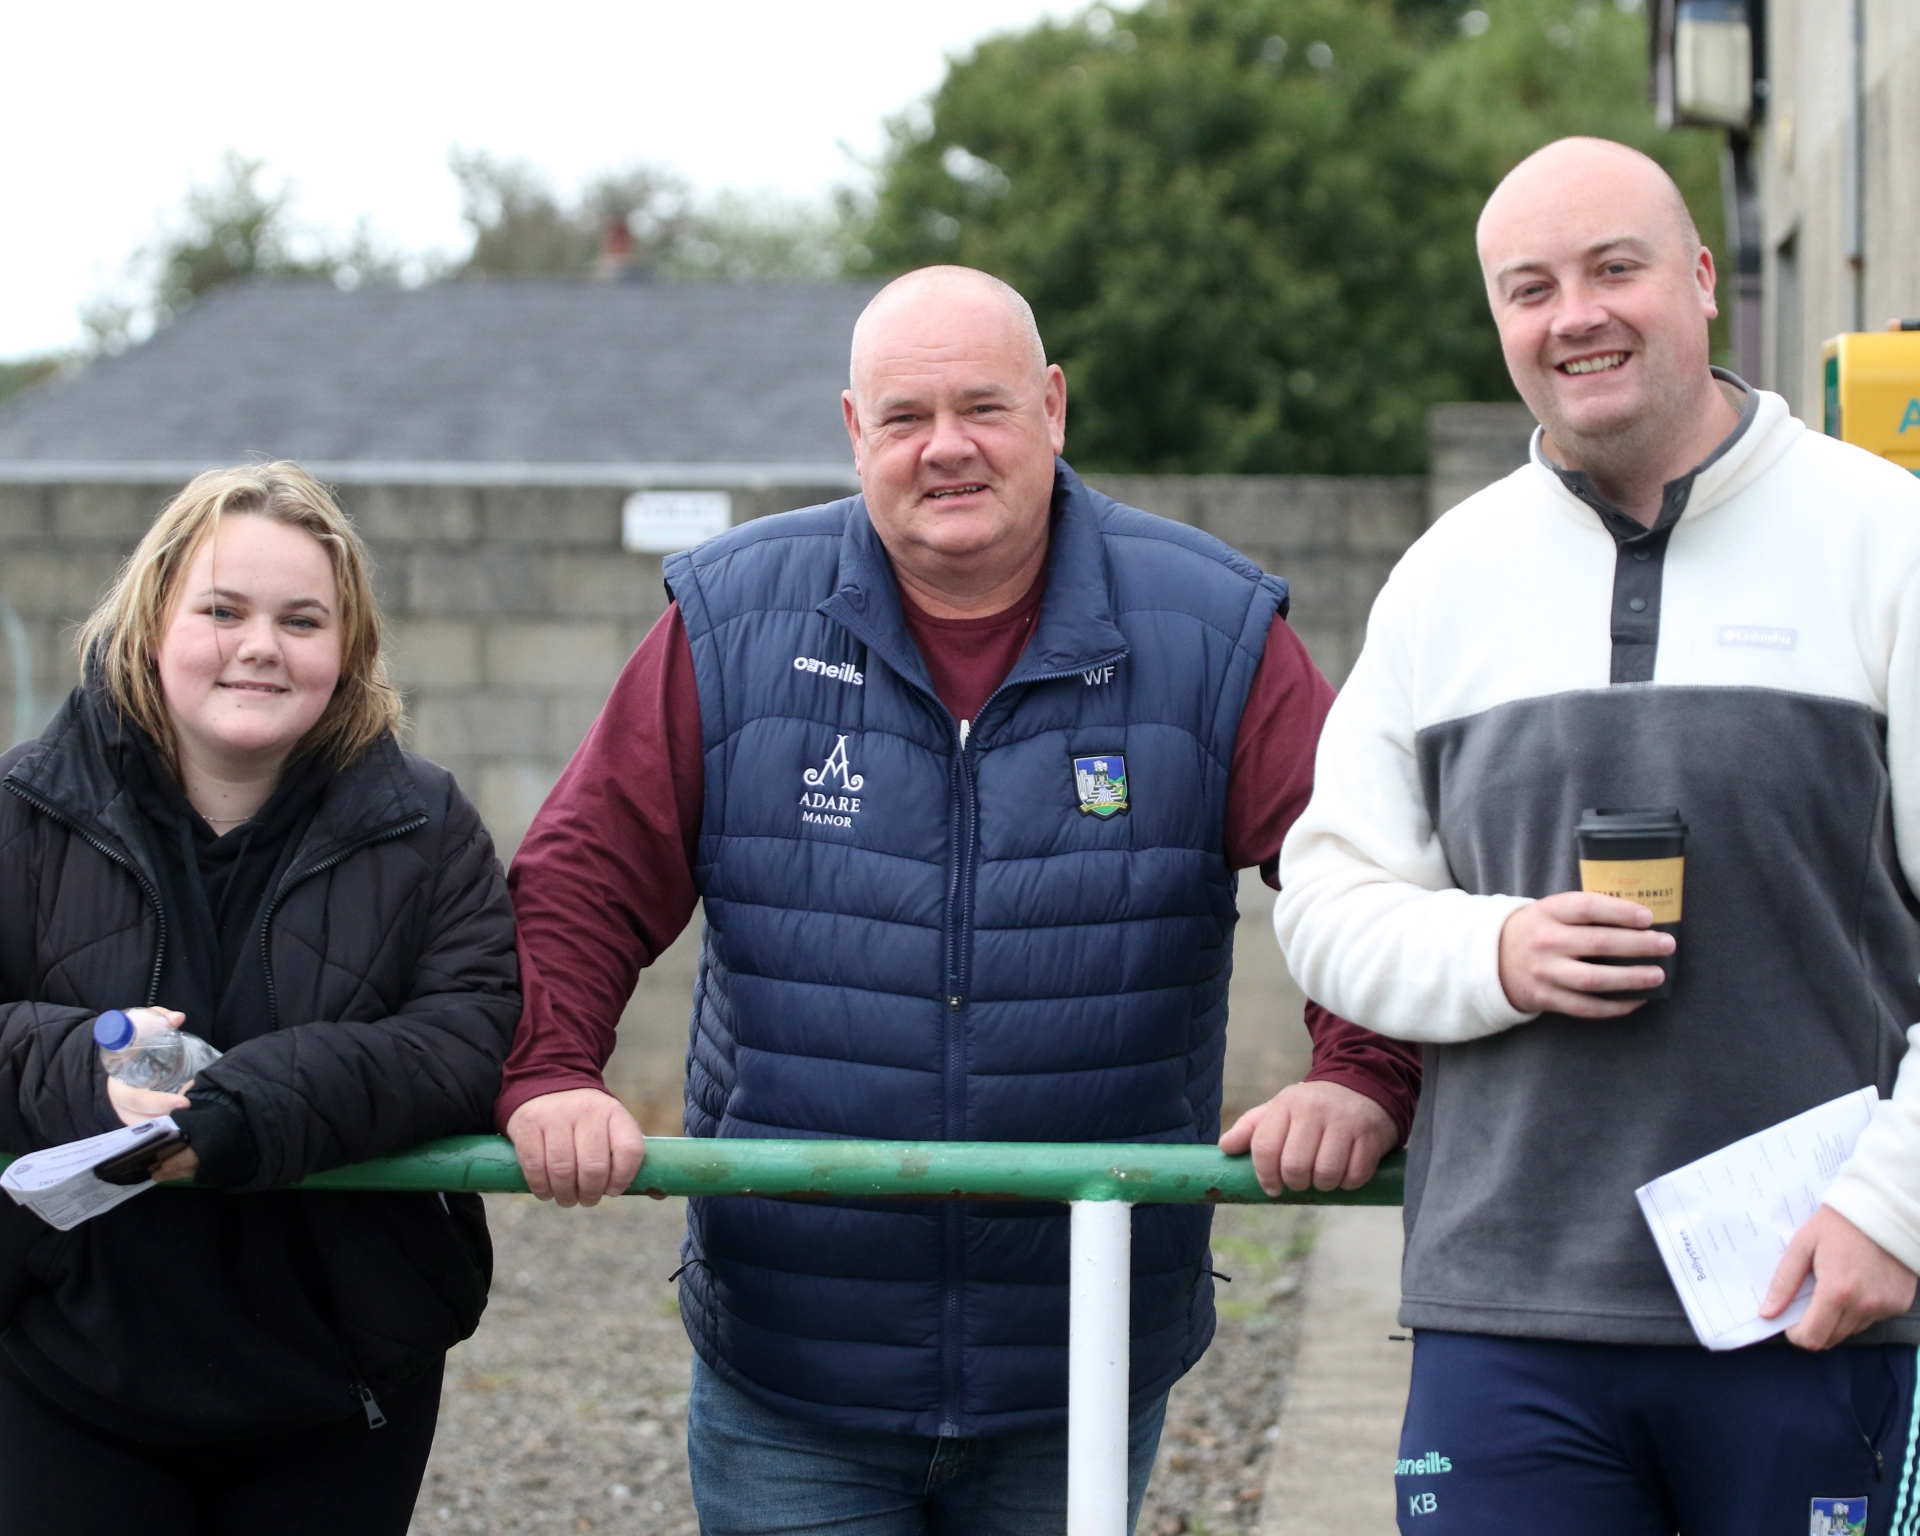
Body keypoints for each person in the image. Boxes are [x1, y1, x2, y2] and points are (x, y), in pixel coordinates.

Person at [499, 264, 1420, 1534]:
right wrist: (550, 1069)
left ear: (1052, 406)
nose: (946, 450)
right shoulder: (729, 621)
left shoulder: (1212, 629)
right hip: (793, 1353)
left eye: (983, 408)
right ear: (852, 432)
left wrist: (1358, 1072)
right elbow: (584, 873)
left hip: (1083, 1347)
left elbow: (1359, 865)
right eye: (904, 418)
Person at [1275, 136, 1920, 1533]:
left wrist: (1898, 1208)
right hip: (1506, 1317)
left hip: (1813, 1301)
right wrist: (1494, 949)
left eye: (1614, 268)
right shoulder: (1448, 578)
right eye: (1530, 287)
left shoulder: (1887, 542)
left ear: (1700, 281)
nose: (1576, 314)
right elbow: (1325, 900)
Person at [0, 464, 519, 1534]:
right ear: (152, 623)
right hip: (63, 1369)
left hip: (339, 1383)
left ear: (350, 649)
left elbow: (464, 1039)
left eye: (301, 619)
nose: (259, 646)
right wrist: (76, 1067)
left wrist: (244, 1110)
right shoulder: (22, 810)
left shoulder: (425, 826)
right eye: (222, 610)